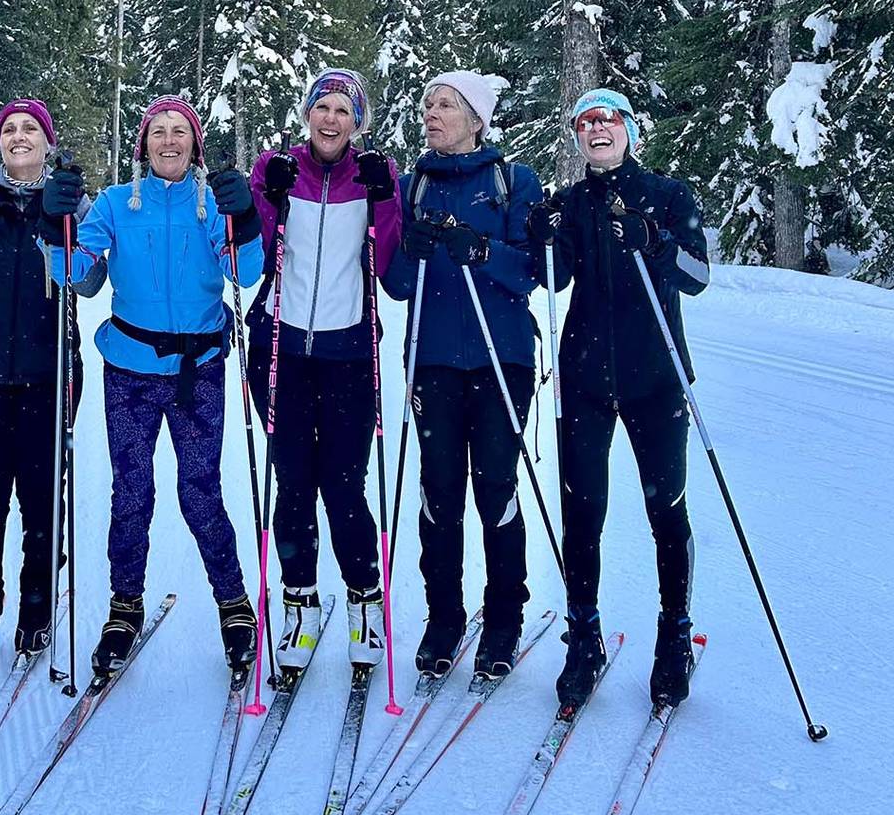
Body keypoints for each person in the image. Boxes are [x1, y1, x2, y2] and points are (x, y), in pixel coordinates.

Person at [42, 96, 263, 675]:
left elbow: (244, 272)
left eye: (180, 132)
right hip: (132, 372)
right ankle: (124, 605)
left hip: (200, 373)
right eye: (158, 132)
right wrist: (52, 224)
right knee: (132, 491)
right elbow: (70, 270)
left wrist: (248, 221)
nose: (169, 141)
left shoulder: (212, 204)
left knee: (200, 492)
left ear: (195, 144)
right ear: (143, 145)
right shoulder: (116, 204)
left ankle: (233, 602)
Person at [529, 88, 710, 710]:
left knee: (668, 510)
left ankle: (674, 633)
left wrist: (656, 242)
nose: (597, 128)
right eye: (585, 121)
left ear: (630, 130)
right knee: (583, 509)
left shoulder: (668, 194)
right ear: (577, 136)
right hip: (583, 377)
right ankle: (585, 636)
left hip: (656, 378)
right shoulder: (575, 201)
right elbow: (554, 278)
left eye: (609, 119)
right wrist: (542, 235)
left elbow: (698, 276)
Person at [0, 99, 106, 664]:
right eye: (10, 128)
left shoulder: (69, 201)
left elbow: (94, 278)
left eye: (31, 128)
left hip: (48, 375)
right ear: (0, 141)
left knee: (39, 498)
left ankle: (36, 603)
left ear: (48, 141)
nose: (20, 136)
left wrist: (70, 213)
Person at [382, 72, 541, 678]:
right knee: (439, 492)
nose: (432, 112)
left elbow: (535, 273)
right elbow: (395, 285)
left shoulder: (511, 181)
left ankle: (504, 619)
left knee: (496, 489)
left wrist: (482, 251)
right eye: (427, 104)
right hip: (434, 362)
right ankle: (444, 617)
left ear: (476, 119)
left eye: (445, 104)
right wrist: (409, 250)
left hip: (502, 359)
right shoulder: (412, 185)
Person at [246, 68, 401, 668]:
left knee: (344, 484)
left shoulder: (373, 176)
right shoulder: (277, 168)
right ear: (307, 113)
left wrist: (385, 200)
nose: (331, 119)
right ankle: (299, 603)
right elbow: (253, 254)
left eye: (344, 110)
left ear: (357, 122)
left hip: (348, 354)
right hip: (281, 350)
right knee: (293, 482)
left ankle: (365, 600)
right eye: (323, 107)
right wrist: (264, 196)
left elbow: (388, 267)